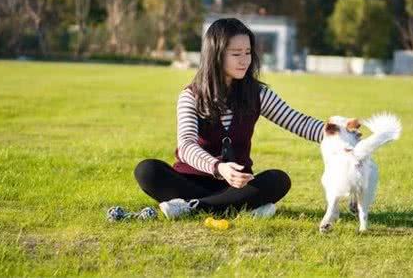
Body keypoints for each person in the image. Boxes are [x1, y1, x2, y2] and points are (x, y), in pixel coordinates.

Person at [133, 18, 325, 219]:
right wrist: (218, 167)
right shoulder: (191, 96)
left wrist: (340, 132)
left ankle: (192, 208)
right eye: (236, 54)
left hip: (235, 186)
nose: (245, 60)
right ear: (215, 55)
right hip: (190, 181)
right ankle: (237, 208)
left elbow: (299, 123)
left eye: (248, 52)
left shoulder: (258, 94)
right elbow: (186, 145)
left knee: (278, 180)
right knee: (147, 170)